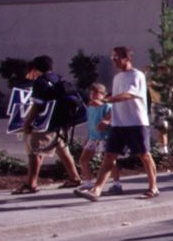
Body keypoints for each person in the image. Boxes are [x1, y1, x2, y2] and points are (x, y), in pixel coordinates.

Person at [76, 46, 159, 201]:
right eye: (112, 58)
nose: (113, 61)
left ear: (126, 59)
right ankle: (96, 190)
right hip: (118, 124)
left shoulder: (136, 75)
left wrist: (105, 100)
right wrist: (108, 118)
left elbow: (128, 95)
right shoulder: (117, 78)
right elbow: (115, 101)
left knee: (144, 155)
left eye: (116, 58)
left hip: (136, 122)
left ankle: (153, 187)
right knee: (109, 155)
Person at [12, 56, 82, 194]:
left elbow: (37, 105)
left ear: (35, 68)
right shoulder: (58, 78)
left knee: (35, 152)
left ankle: (31, 184)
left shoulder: (40, 82)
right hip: (61, 123)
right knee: (63, 150)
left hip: (46, 124)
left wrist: (27, 123)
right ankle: (75, 178)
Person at [76, 83, 123, 194]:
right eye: (91, 93)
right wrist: (88, 137)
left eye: (96, 93)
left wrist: (106, 121)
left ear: (103, 94)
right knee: (83, 160)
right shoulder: (90, 108)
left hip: (105, 138)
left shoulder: (108, 107)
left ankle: (117, 184)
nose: (93, 95)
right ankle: (88, 183)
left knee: (110, 162)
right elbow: (91, 123)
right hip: (93, 138)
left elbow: (112, 116)